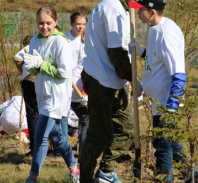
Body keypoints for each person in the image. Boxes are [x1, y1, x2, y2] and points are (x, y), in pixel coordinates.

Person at [129, 0, 198, 182]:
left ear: (152, 11)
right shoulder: (154, 28)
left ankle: (165, 179)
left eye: (141, 10)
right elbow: (158, 58)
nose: (138, 14)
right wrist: (142, 52)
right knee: (172, 143)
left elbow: (178, 73)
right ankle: (194, 178)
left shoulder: (166, 33)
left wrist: (171, 106)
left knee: (162, 145)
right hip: (160, 101)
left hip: (166, 102)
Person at [80, 0, 142, 182]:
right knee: (99, 134)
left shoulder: (119, 8)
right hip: (100, 79)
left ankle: (105, 172)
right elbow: (117, 52)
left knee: (126, 129)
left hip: (113, 80)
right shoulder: (112, 8)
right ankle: (85, 179)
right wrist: (134, 79)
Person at [23, 5, 79, 183]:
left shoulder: (61, 42)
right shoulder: (34, 40)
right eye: (41, 23)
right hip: (42, 93)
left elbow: (63, 72)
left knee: (40, 137)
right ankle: (74, 168)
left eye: (48, 23)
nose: (44, 27)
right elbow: (34, 69)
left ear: (55, 22)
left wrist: (41, 64)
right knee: (57, 136)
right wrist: (30, 65)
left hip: (56, 96)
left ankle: (33, 177)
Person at [65, 11, 88, 156]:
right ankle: (60, 149)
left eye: (83, 24)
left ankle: (83, 148)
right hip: (66, 85)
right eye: (78, 24)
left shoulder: (87, 40)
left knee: (85, 118)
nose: (80, 27)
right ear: (72, 23)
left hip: (81, 86)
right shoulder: (65, 39)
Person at [13, 34, 38, 156]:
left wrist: (23, 72)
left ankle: (34, 147)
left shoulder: (30, 46)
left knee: (33, 113)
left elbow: (17, 58)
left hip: (30, 81)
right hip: (44, 80)